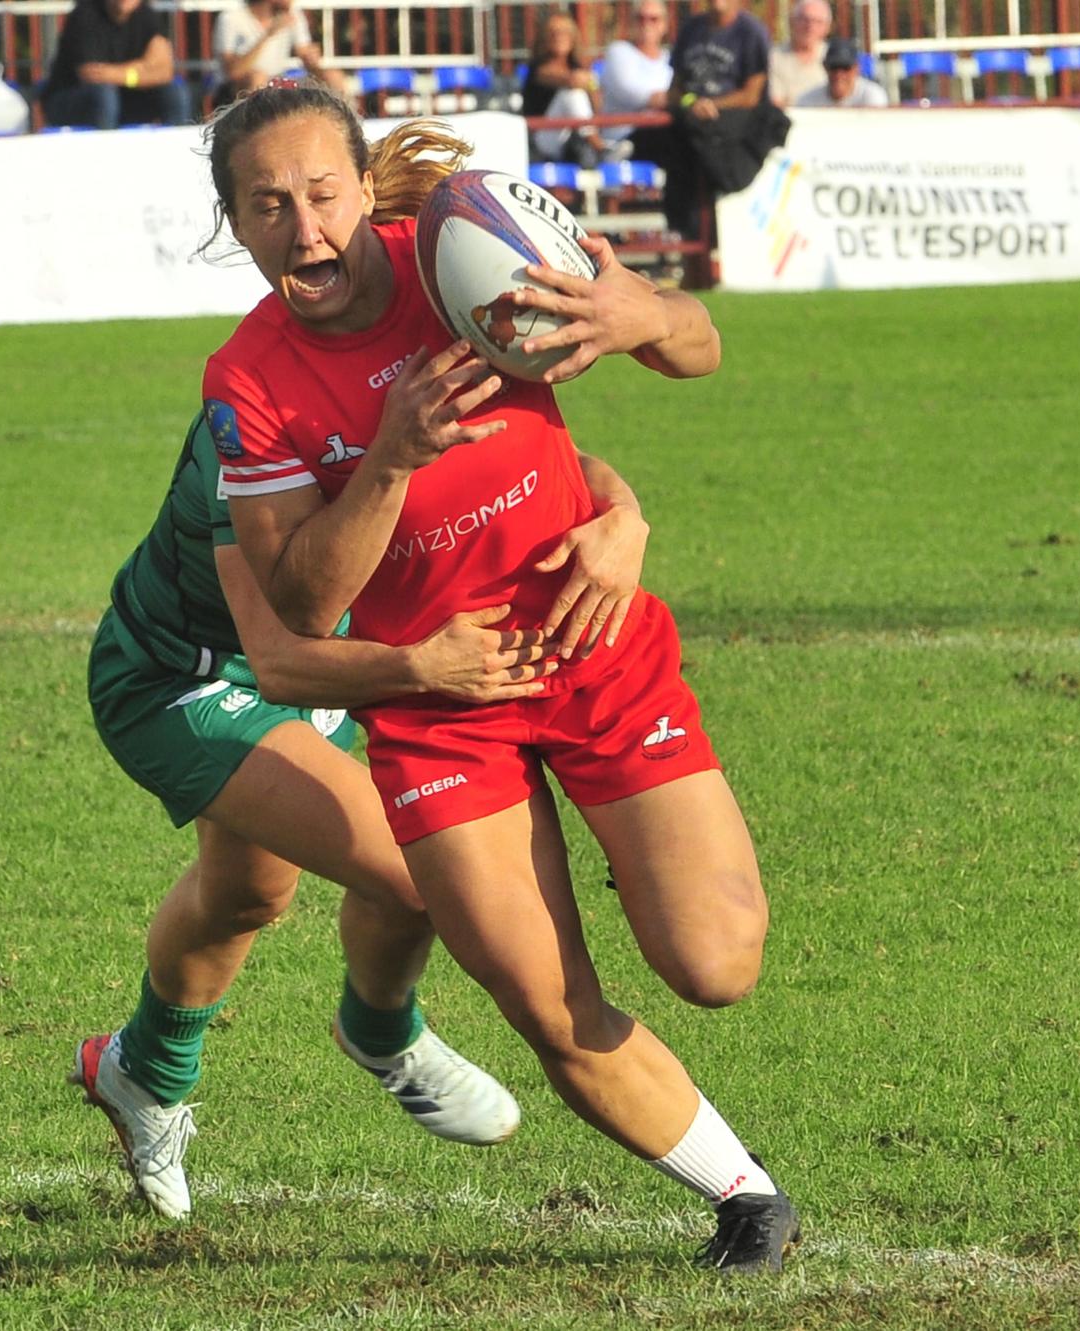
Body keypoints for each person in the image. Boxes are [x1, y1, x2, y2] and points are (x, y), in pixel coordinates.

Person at [202, 85, 800, 1274]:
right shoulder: (247, 384)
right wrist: (389, 458)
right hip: (435, 714)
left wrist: (637, 321)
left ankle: (389, 1007)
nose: (303, 229)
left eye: (321, 193)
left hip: (587, 640)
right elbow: (304, 607)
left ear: (363, 188)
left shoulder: (464, 256)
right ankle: (748, 1197)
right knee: (541, 996)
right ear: (235, 221)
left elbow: (698, 347)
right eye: (266, 206)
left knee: (716, 960)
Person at [73, 403, 656, 1219]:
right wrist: (420, 664)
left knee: (247, 894)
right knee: (422, 866)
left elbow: (554, 465)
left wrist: (624, 513)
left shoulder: (421, 370)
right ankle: (380, 1026)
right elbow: (278, 657)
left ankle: (141, 1070)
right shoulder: (246, 428)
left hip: (353, 665)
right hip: (193, 676)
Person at [654, 0, 785, 239]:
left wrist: (712, 105)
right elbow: (674, 91)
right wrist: (692, 103)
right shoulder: (691, 29)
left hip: (730, 140)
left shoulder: (751, 32)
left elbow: (751, 95)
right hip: (691, 135)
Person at [42, 0, 191, 131]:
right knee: (104, 96)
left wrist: (123, 76)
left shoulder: (146, 15)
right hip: (71, 98)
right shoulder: (86, 14)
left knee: (175, 92)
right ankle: (104, 156)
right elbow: (92, 74)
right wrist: (143, 67)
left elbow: (165, 72)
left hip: (124, 97)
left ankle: (176, 153)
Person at [521, 12, 624, 167]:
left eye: (564, 32)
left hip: (574, 136)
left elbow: (598, 107)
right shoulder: (537, 68)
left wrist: (591, 84)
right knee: (571, 95)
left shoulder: (578, 67)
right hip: (544, 139)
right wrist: (587, 80)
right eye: (553, 32)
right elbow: (570, 80)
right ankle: (599, 147)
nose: (559, 37)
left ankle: (594, 146)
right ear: (544, 37)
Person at [212, 0, 342, 108]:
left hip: (277, 82)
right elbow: (233, 72)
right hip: (234, 90)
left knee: (333, 76)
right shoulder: (231, 18)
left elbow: (304, 53)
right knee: (258, 78)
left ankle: (348, 128)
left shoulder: (292, 15)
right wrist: (268, 34)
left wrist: (312, 59)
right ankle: (256, 130)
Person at [598, 0, 673, 148]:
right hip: (623, 140)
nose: (646, 24)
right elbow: (631, 93)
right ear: (632, 22)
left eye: (654, 19)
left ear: (665, 24)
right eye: (640, 18)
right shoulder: (618, 51)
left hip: (661, 136)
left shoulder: (670, 58)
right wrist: (674, 98)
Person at [764, 0, 829, 107]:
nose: (810, 27)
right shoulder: (774, 57)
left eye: (817, 22)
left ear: (827, 27)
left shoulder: (834, 58)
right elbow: (775, 101)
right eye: (804, 20)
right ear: (792, 22)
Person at [794, 38, 887, 108]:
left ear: (856, 69)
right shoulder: (808, 100)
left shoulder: (872, 96)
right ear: (825, 67)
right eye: (834, 67)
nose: (839, 74)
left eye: (845, 68)